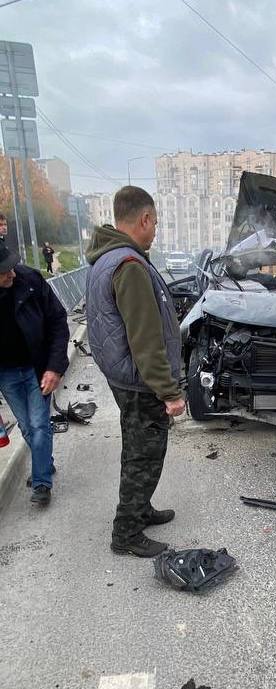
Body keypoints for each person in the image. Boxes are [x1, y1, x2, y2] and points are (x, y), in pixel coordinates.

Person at [86, 186, 186, 558]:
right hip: (139, 381)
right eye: (155, 223)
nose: (156, 230)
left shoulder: (105, 259)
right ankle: (126, 533)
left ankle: (140, 509)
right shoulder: (129, 265)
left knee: (136, 449)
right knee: (144, 455)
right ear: (144, 219)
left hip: (122, 376)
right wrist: (170, 392)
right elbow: (146, 339)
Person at [0, 244, 69, 506]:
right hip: (6, 373)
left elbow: (58, 321)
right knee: (28, 426)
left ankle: (41, 483)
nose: (12, 274)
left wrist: (55, 367)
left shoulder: (30, 280)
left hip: (36, 367)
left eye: (11, 266)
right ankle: (45, 461)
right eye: (4, 271)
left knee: (40, 425)